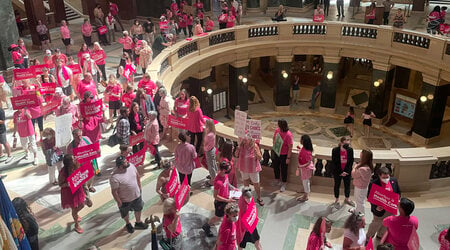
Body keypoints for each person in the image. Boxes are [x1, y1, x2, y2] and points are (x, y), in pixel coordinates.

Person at [110, 156, 149, 233]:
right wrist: (119, 201)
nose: (127, 162)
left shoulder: (131, 166)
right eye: (125, 162)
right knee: (125, 213)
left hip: (136, 194)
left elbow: (137, 175)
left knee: (138, 208)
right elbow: (114, 191)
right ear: (120, 166)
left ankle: (138, 222)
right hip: (125, 199)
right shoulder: (114, 177)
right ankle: (128, 223)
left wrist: (139, 186)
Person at [203, 161, 237, 237]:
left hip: (226, 199)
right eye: (229, 169)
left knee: (225, 214)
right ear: (223, 170)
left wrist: (233, 189)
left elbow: (227, 184)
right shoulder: (218, 181)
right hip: (220, 203)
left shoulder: (225, 175)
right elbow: (215, 196)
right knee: (217, 218)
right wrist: (227, 200)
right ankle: (207, 226)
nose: (230, 170)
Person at [366, 166, 401, 240]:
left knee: (387, 223)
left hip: (390, 209)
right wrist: (376, 207)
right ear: (379, 176)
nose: (386, 179)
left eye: (387, 177)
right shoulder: (373, 184)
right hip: (379, 210)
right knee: (376, 224)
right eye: (384, 177)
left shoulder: (394, 180)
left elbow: (398, 192)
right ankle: (369, 237)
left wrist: (397, 200)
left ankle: (380, 235)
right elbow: (370, 197)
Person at [59, 154, 86, 233]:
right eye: (73, 158)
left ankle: (75, 214)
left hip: (77, 189)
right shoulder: (63, 172)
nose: (75, 158)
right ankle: (76, 224)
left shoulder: (76, 165)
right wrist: (68, 184)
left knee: (82, 204)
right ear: (69, 162)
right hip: (69, 192)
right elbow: (60, 184)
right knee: (74, 208)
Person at [236, 137, 264, 205]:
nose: (247, 139)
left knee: (256, 184)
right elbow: (236, 155)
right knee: (245, 182)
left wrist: (256, 152)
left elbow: (260, 158)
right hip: (243, 167)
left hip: (253, 169)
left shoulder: (255, 146)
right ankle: (247, 197)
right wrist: (238, 149)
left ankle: (259, 197)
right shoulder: (241, 145)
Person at [331, 136, 355, 208]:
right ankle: (337, 200)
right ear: (341, 143)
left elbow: (351, 162)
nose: (347, 145)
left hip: (347, 172)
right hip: (338, 172)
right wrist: (341, 172)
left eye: (348, 143)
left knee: (347, 186)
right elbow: (334, 163)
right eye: (345, 143)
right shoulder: (335, 150)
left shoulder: (350, 150)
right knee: (337, 185)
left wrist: (346, 172)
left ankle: (347, 199)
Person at [272, 119, 293, 192]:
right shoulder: (277, 130)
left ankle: (284, 183)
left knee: (284, 169)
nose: (277, 126)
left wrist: (288, 157)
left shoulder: (288, 135)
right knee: (275, 167)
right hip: (276, 152)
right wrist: (274, 144)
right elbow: (274, 138)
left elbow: (290, 147)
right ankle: (277, 179)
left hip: (284, 154)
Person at [351, 149, 373, 214]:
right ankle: (357, 210)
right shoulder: (368, 166)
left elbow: (353, 175)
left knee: (360, 202)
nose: (360, 153)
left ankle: (361, 215)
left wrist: (354, 167)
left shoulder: (362, 169)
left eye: (361, 153)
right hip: (362, 186)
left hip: (360, 187)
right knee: (359, 200)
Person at [297, 135, 314, 202]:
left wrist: (301, 166)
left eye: (301, 139)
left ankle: (305, 195)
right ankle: (305, 191)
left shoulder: (308, 152)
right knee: (305, 181)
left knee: (305, 182)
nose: (300, 140)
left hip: (306, 169)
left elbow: (309, 162)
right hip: (303, 168)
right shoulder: (304, 148)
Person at [204, 119, 218, 186]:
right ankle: (214, 175)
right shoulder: (213, 132)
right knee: (213, 163)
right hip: (212, 149)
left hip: (209, 150)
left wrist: (204, 147)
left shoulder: (209, 135)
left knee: (210, 165)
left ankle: (213, 180)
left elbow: (205, 143)